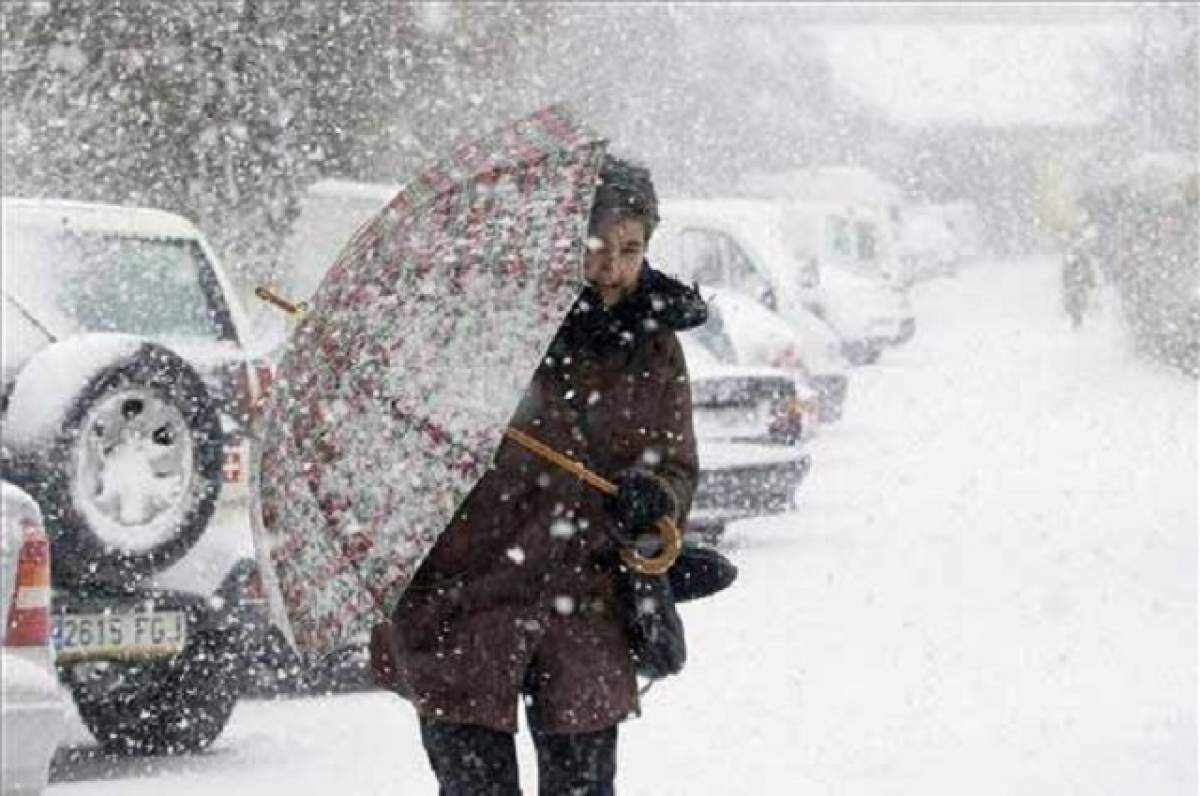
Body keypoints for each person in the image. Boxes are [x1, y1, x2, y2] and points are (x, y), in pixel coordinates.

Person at [386, 156, 707, 795]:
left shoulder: (654, 343)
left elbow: (677, 464)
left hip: (587, 603)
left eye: (630, 248)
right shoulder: (484, 322)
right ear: (563, 241)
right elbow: (420, 453)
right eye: (595, 247)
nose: (612, 267)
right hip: (468, 596)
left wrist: (657, 499)